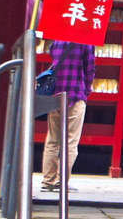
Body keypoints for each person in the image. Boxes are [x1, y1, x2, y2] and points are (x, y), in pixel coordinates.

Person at [38, 38, 95, 193]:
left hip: (55, 94)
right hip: (76, 94)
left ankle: (48, 180)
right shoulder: (86, 42)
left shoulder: (56, 41)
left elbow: (53, 60)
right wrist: (87, 90)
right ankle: (61, 181)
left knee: (53, 139)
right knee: (70, 142)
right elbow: (89, 70)